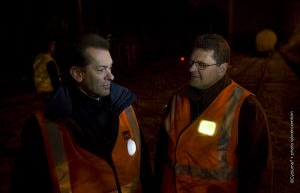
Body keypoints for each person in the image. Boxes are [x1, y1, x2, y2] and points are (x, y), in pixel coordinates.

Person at [11, 33, 154, 193]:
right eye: (101, 69)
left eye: (110, 67)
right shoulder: (41, 130)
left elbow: (145, 172)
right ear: (78, 74)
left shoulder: (125, 110)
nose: (111, 76)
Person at [154, 34, 273, 193]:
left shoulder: (247, 107)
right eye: (192, 62)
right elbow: (161, 153)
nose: (191, 69)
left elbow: (258, 176)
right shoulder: (177, 98)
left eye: (201, 65)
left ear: (222, 69)